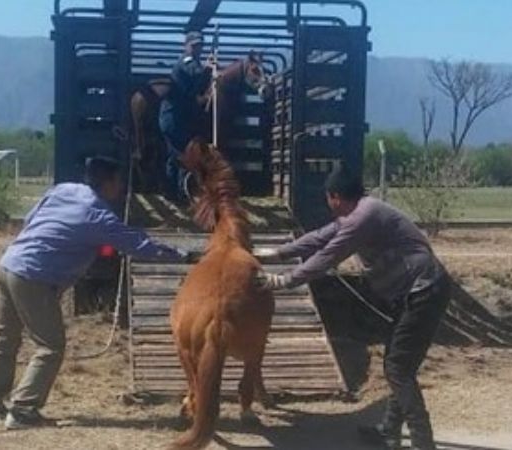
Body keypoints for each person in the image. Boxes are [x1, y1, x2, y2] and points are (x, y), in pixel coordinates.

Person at [0, 157, 200, 430]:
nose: (121, 188)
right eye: (118, 182)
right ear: (107, 183)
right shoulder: (98, 216)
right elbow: (139, 245)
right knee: (50, 346)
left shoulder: (63, 190)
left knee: (5, 339)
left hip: (10, 263)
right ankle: (23, 411)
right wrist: (184, 256)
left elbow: (32, 218)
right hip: (35, 277)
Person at [257, 166, 451, 450]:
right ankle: (388, 431)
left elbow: (328, 255)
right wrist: (280, 252)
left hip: (424, 290)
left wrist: (284, 280)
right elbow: (320, 237)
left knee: (398, 368)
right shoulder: (358, 212)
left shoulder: (362, 217)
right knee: (397, 365)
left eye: (328, 199)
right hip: (415, 292)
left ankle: (423, 443)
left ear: (335, 197)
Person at [159, 30, 212, 201]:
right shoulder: (186, 63)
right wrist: (208, 68)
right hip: (174, 119)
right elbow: (194, 73)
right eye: (194, 46)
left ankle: (173, 193)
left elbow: (198, 86)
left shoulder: (193, 63)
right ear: (186, 46)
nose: (198, 49)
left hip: (177, 118)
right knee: (183, 154)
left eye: (200, 46)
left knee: (175, 155)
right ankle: (180, 193)